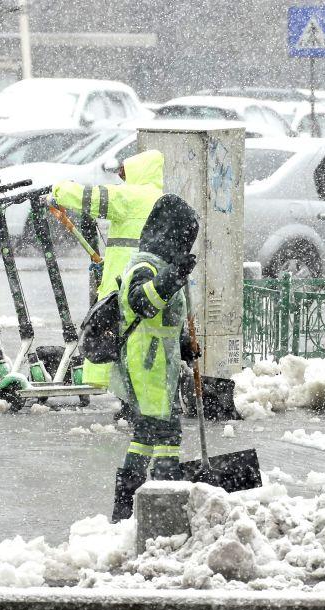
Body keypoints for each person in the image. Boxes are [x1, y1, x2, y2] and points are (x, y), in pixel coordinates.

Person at [108, 194, 201, 521]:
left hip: (161, 365)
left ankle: (126, 505)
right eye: (184, 239)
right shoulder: (144, 267)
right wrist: (174, 277)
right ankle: (165, 499)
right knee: (168, 432)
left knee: (146, 434)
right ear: (172, 236)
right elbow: (142, 303)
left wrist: (187, 343)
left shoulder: (161, 266)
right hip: (147, 365)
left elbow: (167, 318)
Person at [50, 150, 165, 391]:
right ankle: (134, 390)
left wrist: (60, 189)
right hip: (149, 280)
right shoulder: (160, 197)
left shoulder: (132, 196)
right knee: (138, 337)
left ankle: (125, 393)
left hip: (123, 278)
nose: (122, 178)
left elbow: (89, 198)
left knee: (110, 330)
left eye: (125, 172)